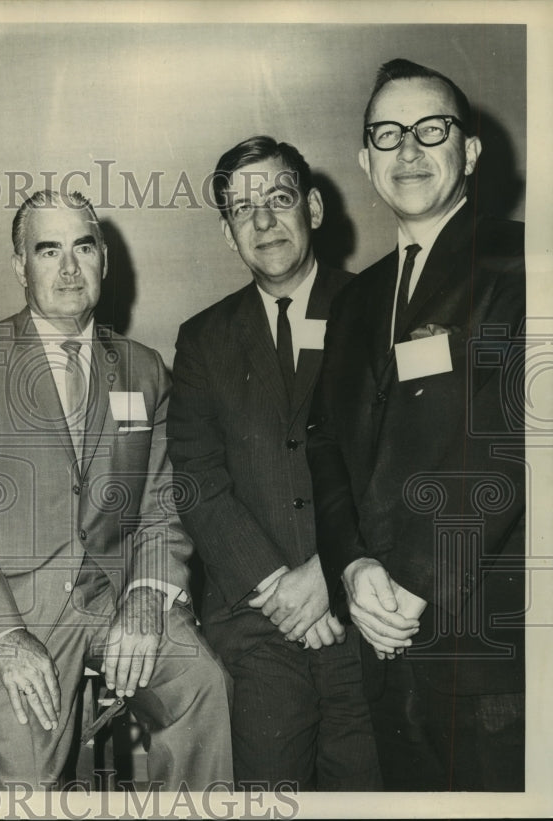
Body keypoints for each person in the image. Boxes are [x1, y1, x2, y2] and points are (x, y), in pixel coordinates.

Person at [0, 190, 232, 789]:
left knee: (203, 687)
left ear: (103, 260)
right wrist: (3, 637)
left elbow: (164, 500)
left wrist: (146, 595)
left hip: (116, 600)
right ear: (19, 266)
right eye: (47, 249)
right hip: (12, 613)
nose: (67, 268)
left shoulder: (142, 367)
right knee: (27, 781)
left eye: (82, 247)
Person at [307, 59, 526, 790]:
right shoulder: (355, 300)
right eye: (387, 134)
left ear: (469, 151)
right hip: (383, 640)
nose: (407, 151)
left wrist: (418, 579)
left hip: (491, 645)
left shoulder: (524, 264)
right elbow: (326, 445)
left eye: (430, 130)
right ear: (365, 160)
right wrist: (353, 565)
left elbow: (517, 439)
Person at [167, 136, 380, 790]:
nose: (262, 222)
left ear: (313, 207)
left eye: (279, 199)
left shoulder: (381, 310)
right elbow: (199, 483)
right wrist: (280, 589)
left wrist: (327, 572)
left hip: (366, 613)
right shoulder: (203, 339)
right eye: (242, 209)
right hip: (255, 626)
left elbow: (398, 466)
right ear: (229, 234)